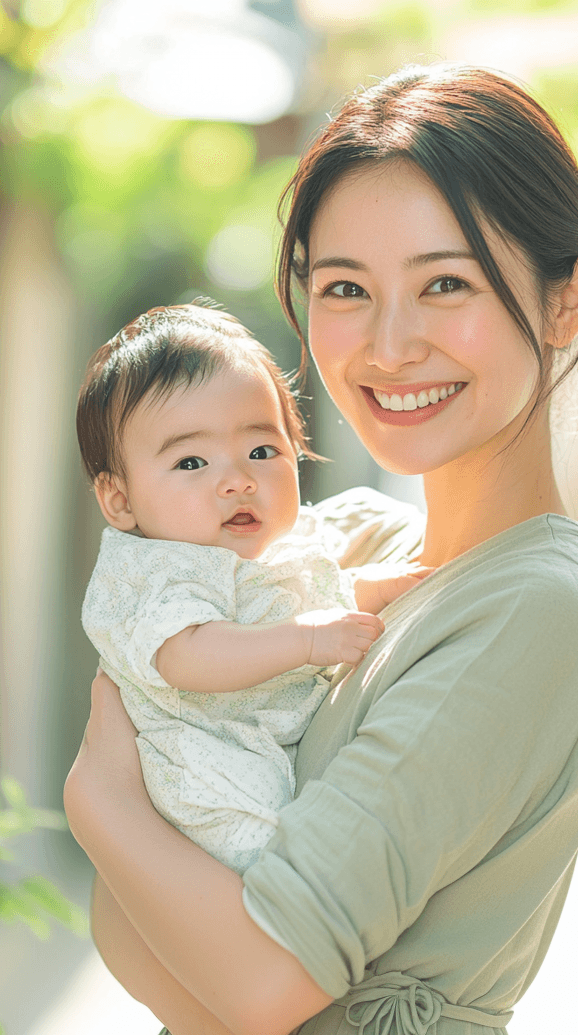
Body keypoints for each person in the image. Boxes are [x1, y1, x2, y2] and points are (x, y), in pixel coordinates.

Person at [64, 62, 578, 1035]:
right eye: (342, 291)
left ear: (564, 298)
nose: (386, 346)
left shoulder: (537, 608)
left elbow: (262, 973)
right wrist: (177, 984)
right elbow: (133, 918)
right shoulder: (333, 547)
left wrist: (94, 802)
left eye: (445, 283)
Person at [78, 301, 424, 873]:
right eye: (191, 462)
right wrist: (305, 641)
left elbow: (300, 595)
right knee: (272, 863)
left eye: (262, 452)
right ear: (120, 500)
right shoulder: (156, 570)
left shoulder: (269, 552)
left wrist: (372, 588)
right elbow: (188, 655)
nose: (238, 480)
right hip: (206, 777)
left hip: (262, 751)